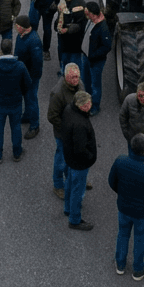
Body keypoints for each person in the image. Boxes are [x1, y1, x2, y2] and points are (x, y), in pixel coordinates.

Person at [108, 133, 144, 280]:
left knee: (123, 234)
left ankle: (120, 264)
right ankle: (138, 269)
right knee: (140, 238)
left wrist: (121, 194)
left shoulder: (120, 161)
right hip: (142, 212)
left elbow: (111, 181)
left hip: (124, 207)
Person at [0, 38, 32, 163]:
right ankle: (17, 152)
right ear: (11, 49)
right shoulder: (20, 66)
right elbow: (28, 84)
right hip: (15, 102)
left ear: (0, 50)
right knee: (16, 127)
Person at [47, 62, 84, 199]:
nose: (76, 80)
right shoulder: (57, 93)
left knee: (75, 157)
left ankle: (74, 179)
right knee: (61, 159)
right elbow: (52, 116)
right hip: (63, 134)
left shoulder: (79, 84)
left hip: (77, 132)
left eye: (77, 77)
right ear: (66, 77)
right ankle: (58, 185)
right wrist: (67, 127)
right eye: (73, 78)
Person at [61, 90, 97, 231]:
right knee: (78, 189)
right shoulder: (80, 124)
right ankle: (75, 219)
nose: (90, 105)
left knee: (70, 182)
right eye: (88, 104)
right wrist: (90, 156)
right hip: (79, 163)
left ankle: (67, 208)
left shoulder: (68, 110)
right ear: (81, 106)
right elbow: (81, 149)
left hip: (70, 158)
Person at [14, 14, 44, 138]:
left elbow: (37, 64)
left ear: (23, 27)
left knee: (31, 99)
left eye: (17, 26)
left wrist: (30, 79)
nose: (15, 27)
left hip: (30, 77)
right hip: (23, 74)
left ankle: (34, 125)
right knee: (26, 98)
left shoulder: (34, 41)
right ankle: (27, 116)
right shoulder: (21, 35)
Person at [81, 1, 112, 115]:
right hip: (86, 57)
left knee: (95, 85)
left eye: (87, 13)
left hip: (95, 62)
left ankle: (95, 106)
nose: (86, 14)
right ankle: (87, 101)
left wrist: (93, 55)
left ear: (93, 14)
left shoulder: (103, 28)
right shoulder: (91, 21)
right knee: (85, 81)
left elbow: (107, 46)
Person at [55, 0, 86, 74]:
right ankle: (63, 71)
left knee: (74, 65)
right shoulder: (63, 1)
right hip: (63, 40)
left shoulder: (78, 6)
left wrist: (67, 30)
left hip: (74, 44)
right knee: (63, 59)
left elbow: (81, 25)